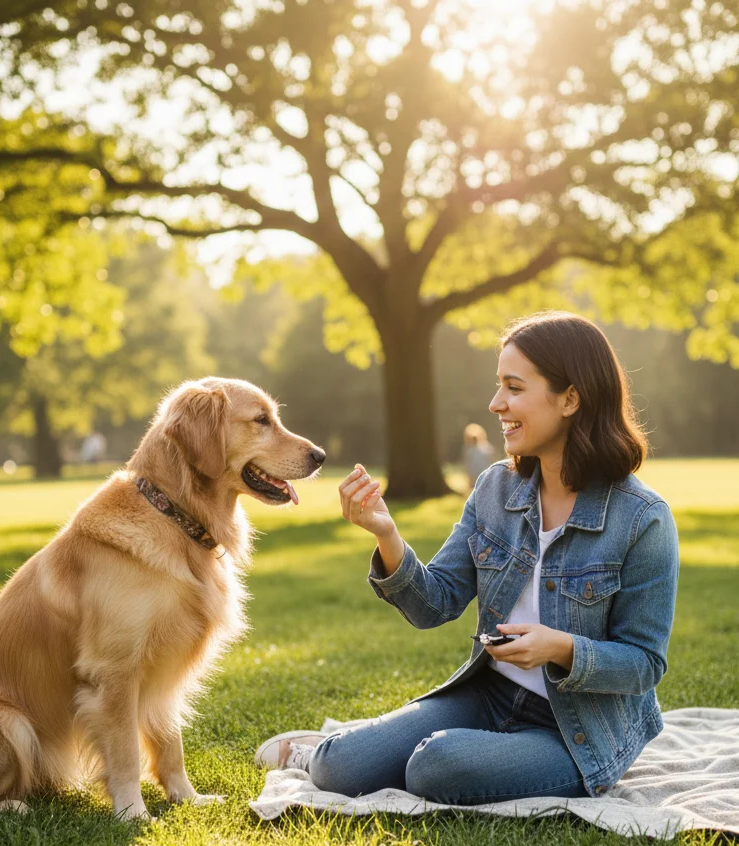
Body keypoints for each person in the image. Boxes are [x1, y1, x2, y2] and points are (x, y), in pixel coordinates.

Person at [256, 311, 679, 805]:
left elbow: (644, 663)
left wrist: (559, 647)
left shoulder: (643, 519)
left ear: (570, 398)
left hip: (581, 730)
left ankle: (461, 755)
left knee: (438, 764)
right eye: (499, 385)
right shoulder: (497, 487)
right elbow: (433, 604)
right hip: (489, 695)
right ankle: (325, 751)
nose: (496, 403)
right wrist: (386, 533)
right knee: (337, 766)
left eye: (514, 387)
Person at [462, 422, 495, 492]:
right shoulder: (469, 449)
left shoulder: (486, 448)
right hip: (474, 474)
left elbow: (491, 460)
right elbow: (467, 463)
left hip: (483, 472)